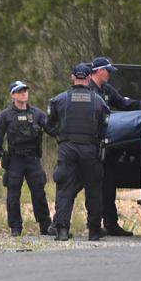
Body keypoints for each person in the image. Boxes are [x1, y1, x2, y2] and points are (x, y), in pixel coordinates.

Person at [89, 56, 141, 237]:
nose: (110, 74)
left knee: (108, 186)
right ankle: (60, 224)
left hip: (107, 149)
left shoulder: (106, 90)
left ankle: (110, 225)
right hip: (88, 149)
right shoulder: (86, 91)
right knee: (75, 186)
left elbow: (124, 103)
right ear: (99, 71)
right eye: (108, 71)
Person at [47, 63, 110, 241]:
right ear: (89, 78)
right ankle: (94, 230)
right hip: (90, 149)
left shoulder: (59, 100)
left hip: (67, 148)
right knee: (93, 189)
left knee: (65, 188)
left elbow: (48, 125)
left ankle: (62, 230)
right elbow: (105, 127)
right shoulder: (99, 101)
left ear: (73, 77)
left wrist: (60, 136)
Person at [0, 80, 52, 236]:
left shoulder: (37, 114)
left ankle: (45, 226)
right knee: (13, 194)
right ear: (13, 95)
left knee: (39, 192)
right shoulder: (5, 115)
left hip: (32, 159)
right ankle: (16, 228)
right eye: (19, 91)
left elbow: (51, 129)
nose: (23, 93)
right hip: (15, 160)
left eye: (25, 90)